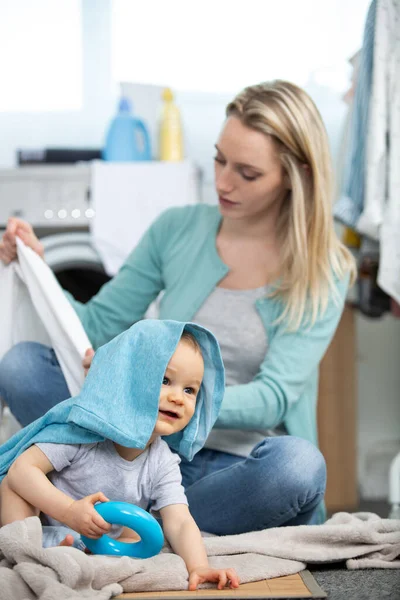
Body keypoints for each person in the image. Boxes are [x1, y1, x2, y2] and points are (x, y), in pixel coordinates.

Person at [0, 80, 356, 533]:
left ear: (296, 174)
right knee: (22, 366)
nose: (223, 181)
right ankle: (153, 523)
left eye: (247, 173)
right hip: (134, 454)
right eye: (219, 159)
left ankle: (123, 518)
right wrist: (39, 270)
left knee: (299, 468)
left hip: (232, 467)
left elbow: (273, 399)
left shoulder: (324, 268)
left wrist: (163, 395)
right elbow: (96, 324)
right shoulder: (177, 229)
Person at [0, 319, 239, 591]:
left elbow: (180, 520)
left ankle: (74, 549)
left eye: (189, 390)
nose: (178, 398)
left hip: (94, 536)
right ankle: (28, 550)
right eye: (164, 380)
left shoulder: (163, 461)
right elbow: (22, 471)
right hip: (44, 519)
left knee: (140, 531)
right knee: (12, 485)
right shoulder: (84, 433)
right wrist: (69, 512)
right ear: (129, 379)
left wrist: (199, 567)